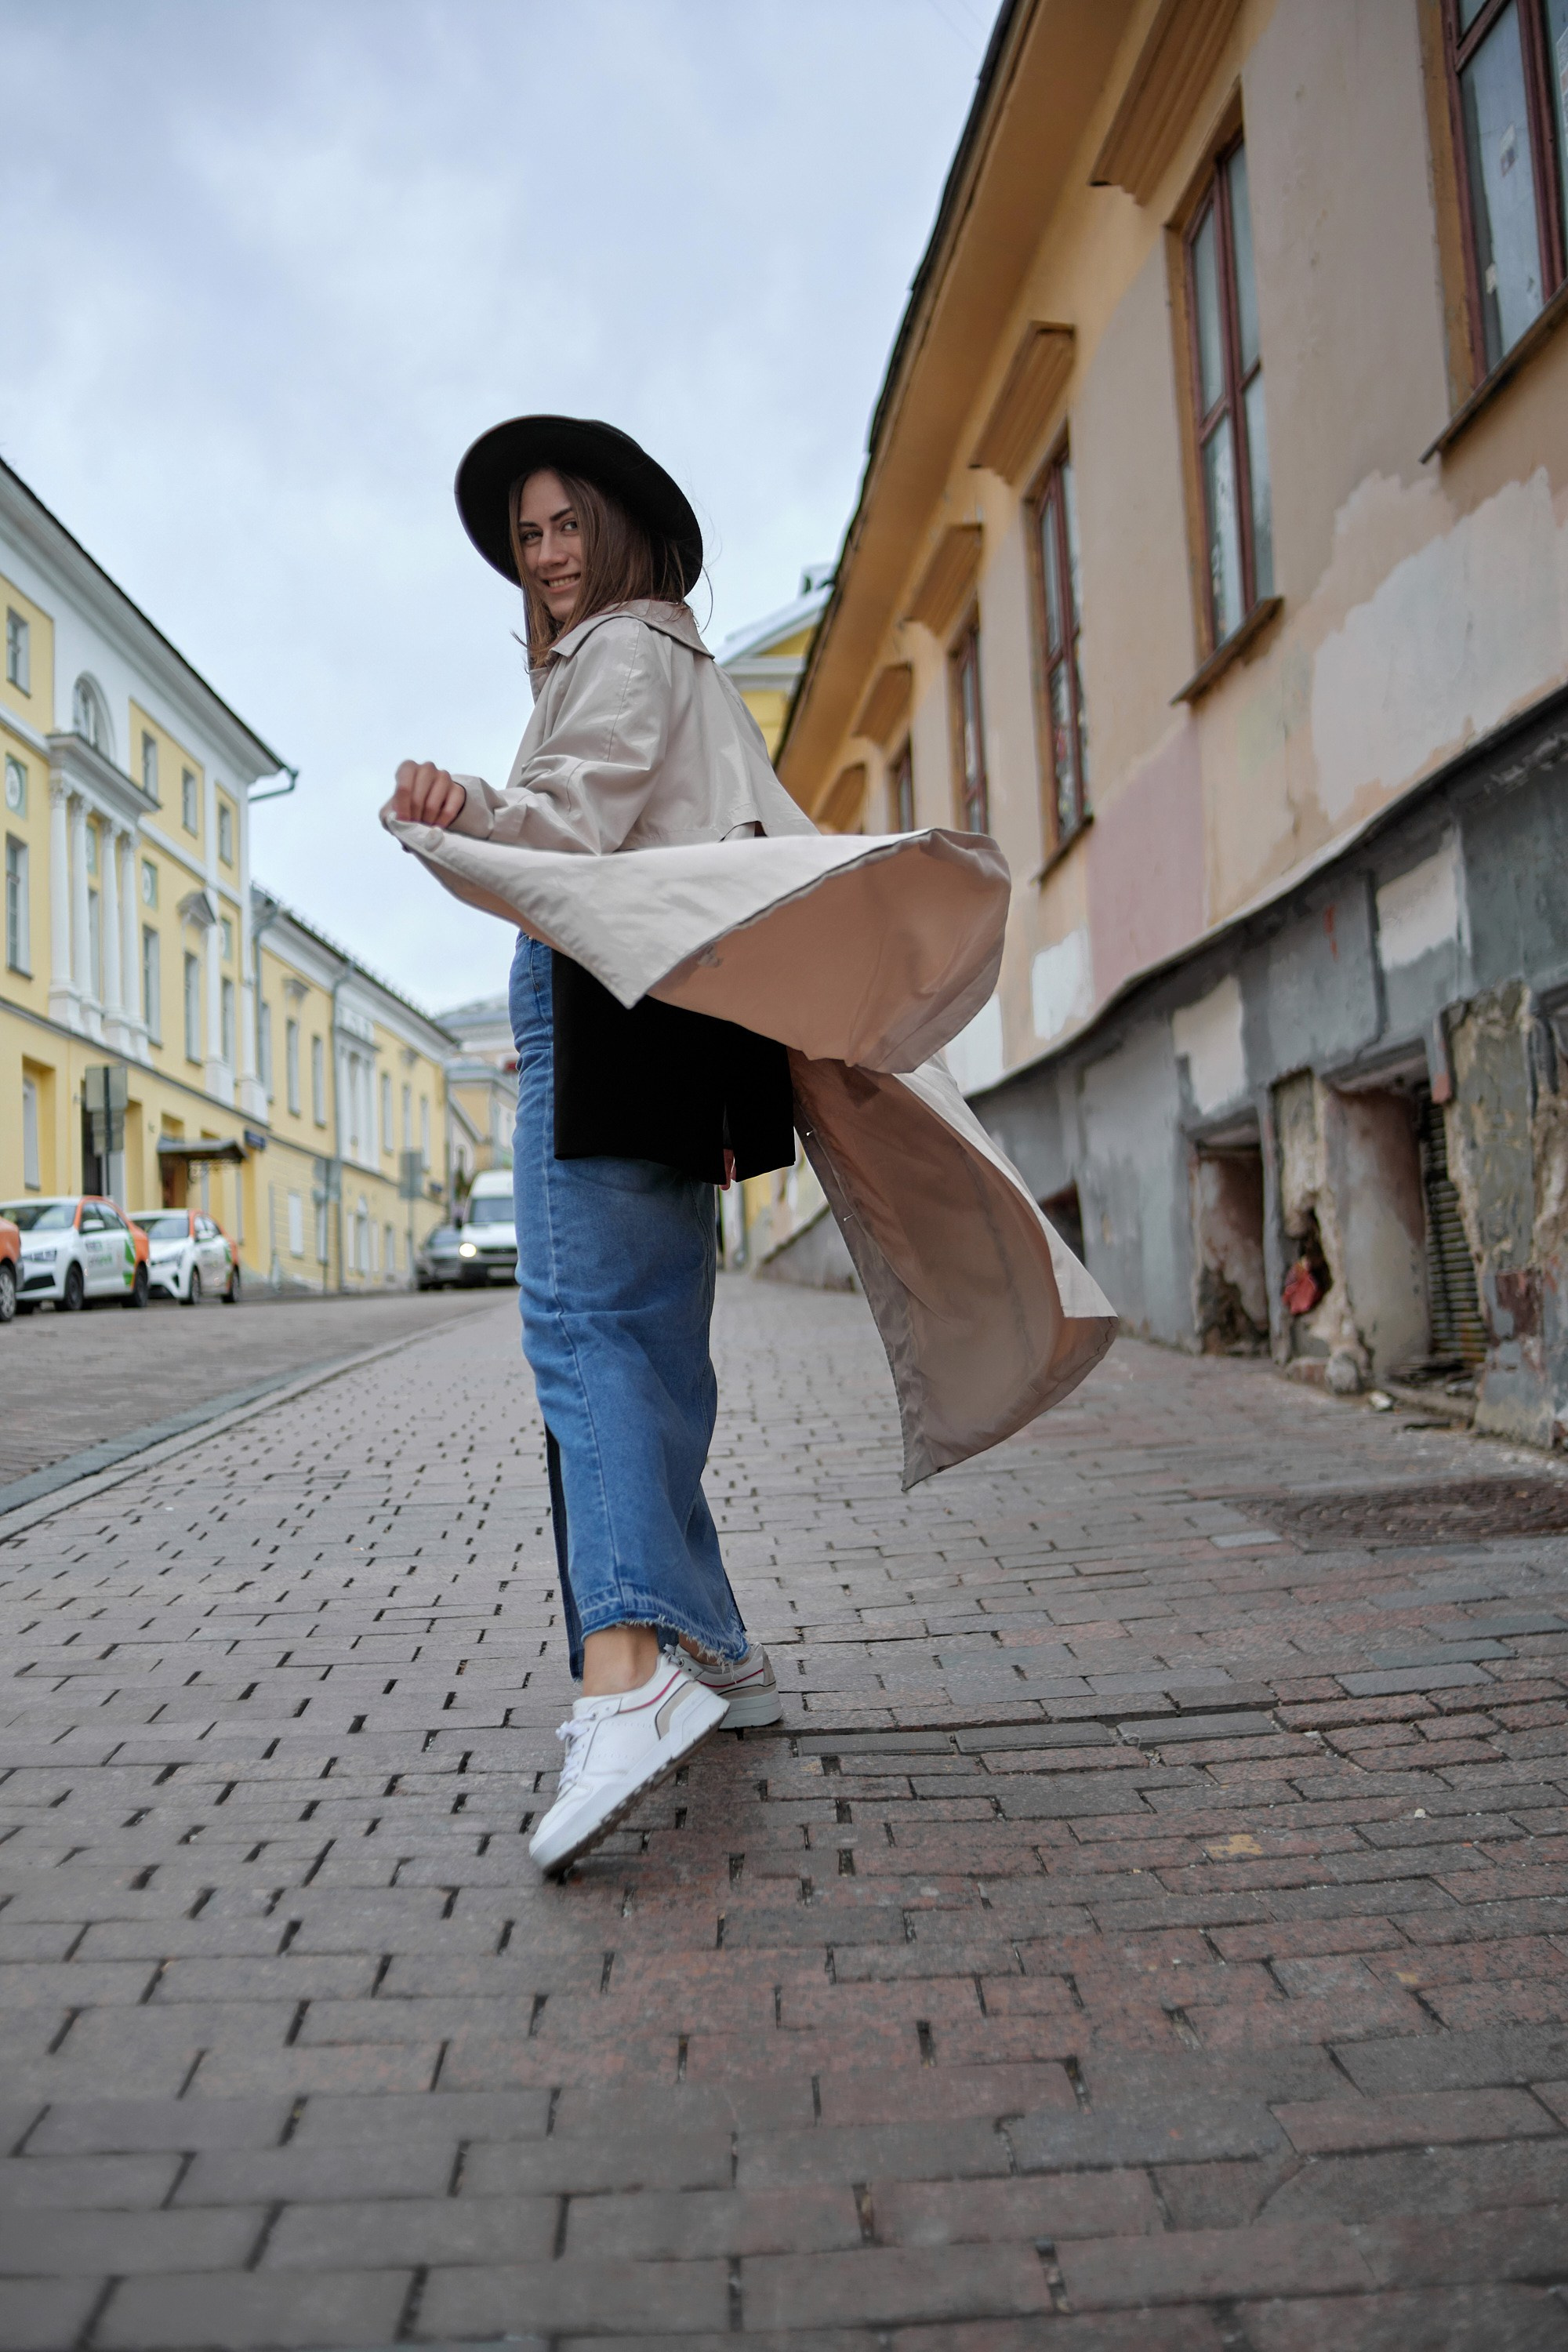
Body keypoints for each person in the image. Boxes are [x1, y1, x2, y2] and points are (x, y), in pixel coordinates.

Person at [387, 414, 1120, 1881]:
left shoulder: (622, 649)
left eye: (566, 525)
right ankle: (713, 1648)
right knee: (651, 1345)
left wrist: (467, 813)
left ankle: (627, 1679)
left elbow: (566, 831)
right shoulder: (674, 660)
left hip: (607, 1017)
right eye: (527, 538)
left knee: (587, 1337)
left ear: (618, 528)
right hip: (672, 1029)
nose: (547, 557)